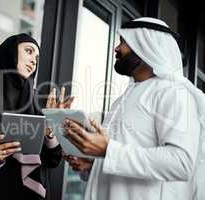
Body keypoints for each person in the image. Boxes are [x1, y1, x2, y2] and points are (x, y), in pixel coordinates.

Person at [63, 17, 205, 200]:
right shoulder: (123, 99)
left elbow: (180, 163)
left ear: (145, 46)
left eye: (123, 42)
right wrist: (92, 164)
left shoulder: (173, 93)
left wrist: (108, 151)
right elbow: (121, 161)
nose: (116, 48)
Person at [0, 33, 73, 200]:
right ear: (10, 53)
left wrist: (51, 132)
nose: (34, 60)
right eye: (29, 51)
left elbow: (51, 161)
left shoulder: (35, 109)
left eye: (37, 58)